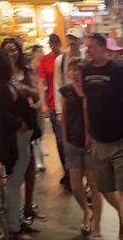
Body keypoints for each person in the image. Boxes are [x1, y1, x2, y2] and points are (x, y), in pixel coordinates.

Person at [0, 48, 36, 240]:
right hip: (13, 141)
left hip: (20, 140)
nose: (11, 59)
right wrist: (19, 123)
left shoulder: (7, 83)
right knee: (14, 184)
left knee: (16, 182)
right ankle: (14, 228)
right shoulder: (1, 86)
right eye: (7, 58)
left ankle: (16, 222)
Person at [83, 33, 123, 240]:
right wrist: (88, 131)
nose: (88, 50)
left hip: (119, 141)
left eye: (91, 47)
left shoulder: (118, 71)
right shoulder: (86, 71)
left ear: (102, 48)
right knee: (105, 188)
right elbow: (87, 102)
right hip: (98, 140)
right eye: (86, 47)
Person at [1, 38, 43, 226]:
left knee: (29, 164)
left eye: (13, 49)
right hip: (10, 128)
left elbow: (36, 94)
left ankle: (27, 207)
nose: (11, 53)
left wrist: (22, 88)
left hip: (27, 125)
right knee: (14, 171)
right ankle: (15, 216)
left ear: (19, 50)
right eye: (7, 50)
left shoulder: (26, 71)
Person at [60, 57, 103, 239]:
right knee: (76, 185)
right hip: (72, 142)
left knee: (94, 185)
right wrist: (64, 139)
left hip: (91, 144)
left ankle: (97, 226)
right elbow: (64, 117)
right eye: (72, 69)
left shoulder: (92, 90)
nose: (74, 73)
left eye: (78, 69)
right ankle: (86, 211)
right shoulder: (67, 91)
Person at [38, 33, 69, 188]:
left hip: (68, 105)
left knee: (70, 139)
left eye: (55, 43)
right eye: (51, 44)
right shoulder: (45, 60)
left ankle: (74, 171)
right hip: (52, 105)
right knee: (60, 140)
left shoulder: (66, 58)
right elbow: (41, 82)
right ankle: (68, 172)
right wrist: (43, 104)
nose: (53, 46)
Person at [54, 28, 84, 119]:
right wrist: (59, 111)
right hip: (68, 100)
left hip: (82, 98)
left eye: (75, 39)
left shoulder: (85, 58)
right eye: (69, 38)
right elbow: (57, 85)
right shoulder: (60, 60)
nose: (72, 41)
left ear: (80, 41)